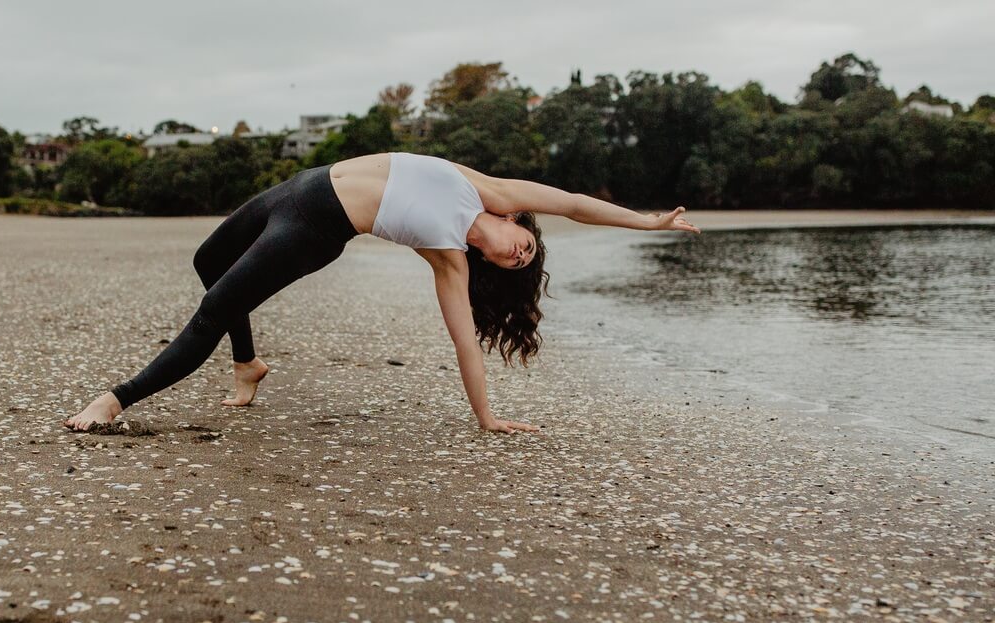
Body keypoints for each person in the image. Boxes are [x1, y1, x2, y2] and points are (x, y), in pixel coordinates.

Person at [64, 151, 699, 434]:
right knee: (208, 261)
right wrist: (647, 220)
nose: (515, 253)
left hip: (313, 227)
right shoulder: (489, 191)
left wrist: (486, 416)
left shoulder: (449, 261)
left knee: (212, 311)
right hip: (303, 184)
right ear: (516, 224)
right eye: (525, 246)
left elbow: (464, 348)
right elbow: (573, 204)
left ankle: (114, 402)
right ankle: (248, 365)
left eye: (515, 264)